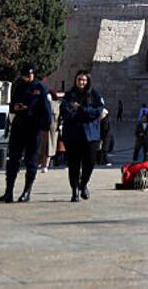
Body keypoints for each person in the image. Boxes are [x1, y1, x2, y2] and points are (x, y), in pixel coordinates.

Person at [1, 63, 52, 203]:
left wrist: (45, 127)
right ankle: (8, 191)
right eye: (25, 75)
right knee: (13, 160)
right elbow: (12, 105)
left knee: (31, 160)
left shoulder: (40, 87)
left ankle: (26, 191)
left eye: (29, 75)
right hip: (19, 126)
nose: (27, 77)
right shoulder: (19, 85)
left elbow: (46, 109)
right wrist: (15, 107)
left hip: (33, 127)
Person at [59, 69, 106, 202]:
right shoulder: (69, 95)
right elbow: (65, 112)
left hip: (91, 135)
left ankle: (83, 184)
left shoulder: (94, 95)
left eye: (84, 80)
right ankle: (74, 191)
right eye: (79, 79)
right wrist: (83, 114)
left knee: (89, 163)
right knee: (73, 164)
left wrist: (81, 109)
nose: (81, 82)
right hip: (73, 134)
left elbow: (98, 111)